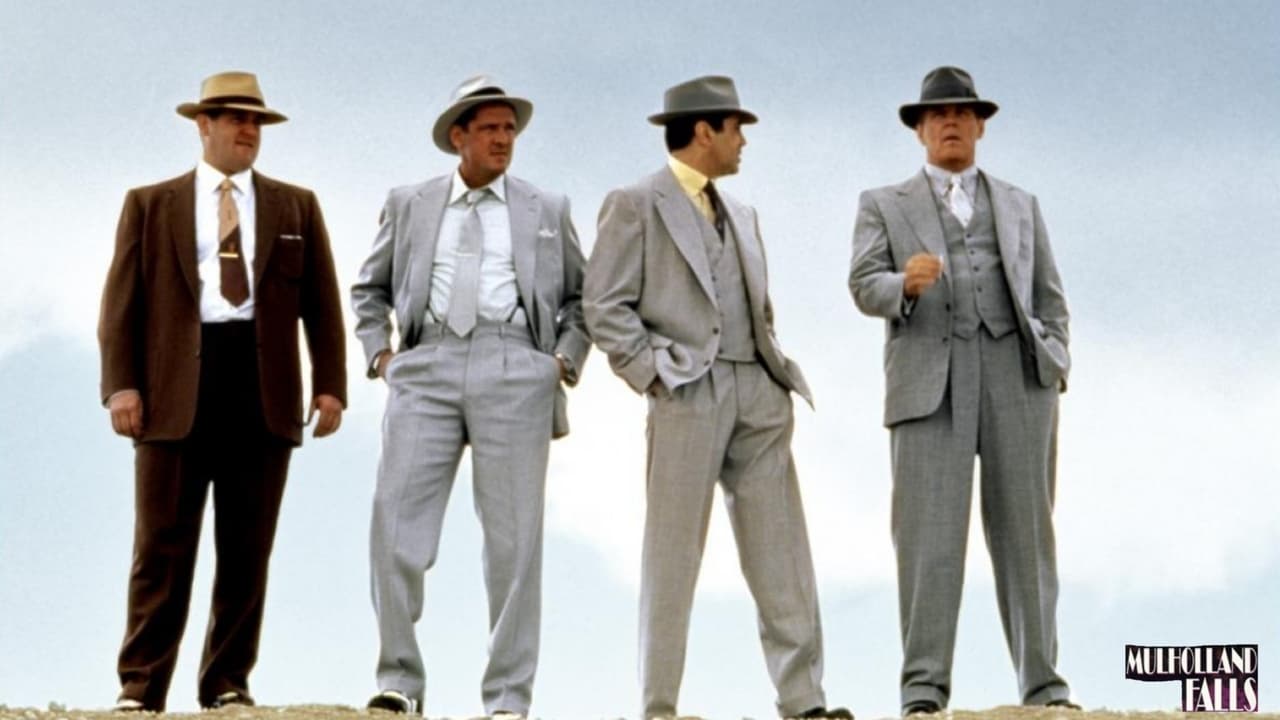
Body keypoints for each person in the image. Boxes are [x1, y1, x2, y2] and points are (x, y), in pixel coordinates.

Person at [584, 75, 851, 720]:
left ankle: (804, 702)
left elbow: (757, 305)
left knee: (782, 551)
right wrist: (654, 373)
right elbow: (604, 305)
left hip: (758, 390)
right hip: (685, 391)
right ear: (704, 131)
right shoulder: (634, 203)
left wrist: (772, 373)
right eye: (737, 129)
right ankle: (659, 706)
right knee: (673, 553)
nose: (744, 142)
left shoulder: (744, 215)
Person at [98, 70, 347, 711]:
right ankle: (140, 686)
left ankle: (228, 684)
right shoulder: (150, 203)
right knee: (161, 545)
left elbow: (322, 303)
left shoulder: (296, 205)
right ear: (202, 125)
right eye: (236, 118)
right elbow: (121, 303)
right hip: (172, 386)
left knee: (247, 548)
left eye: (257, 121)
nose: (248, 130)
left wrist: (331, 385)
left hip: (262, 387)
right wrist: (121, 386)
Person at [350, 75, 589, 719]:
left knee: (515, 545)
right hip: (425, 364)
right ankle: (399, 683)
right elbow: (369, 289)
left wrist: (561, 363)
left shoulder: (547, 207)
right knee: (393, 527)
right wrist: (381, 355)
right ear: (459, 136)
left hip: (516, 365)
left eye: (510, 129)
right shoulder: (409, 202)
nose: (503, 140)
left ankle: (507, 700)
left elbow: (581, 298)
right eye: (490, 129)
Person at [848, 66, 1078, 715]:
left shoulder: (1020, 203)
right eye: (937, 114)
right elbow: (862, 283)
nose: (949, 121)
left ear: (979, 125)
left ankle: (1044, 688)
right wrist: (903, 284)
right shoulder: (883, 203)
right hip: (928, 383)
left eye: (961, 113)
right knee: (927, 541)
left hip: (1018, 378)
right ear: (919, 130)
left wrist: (1055, 358)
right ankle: (923, 693)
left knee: (1028, 535)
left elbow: (1050, 295)